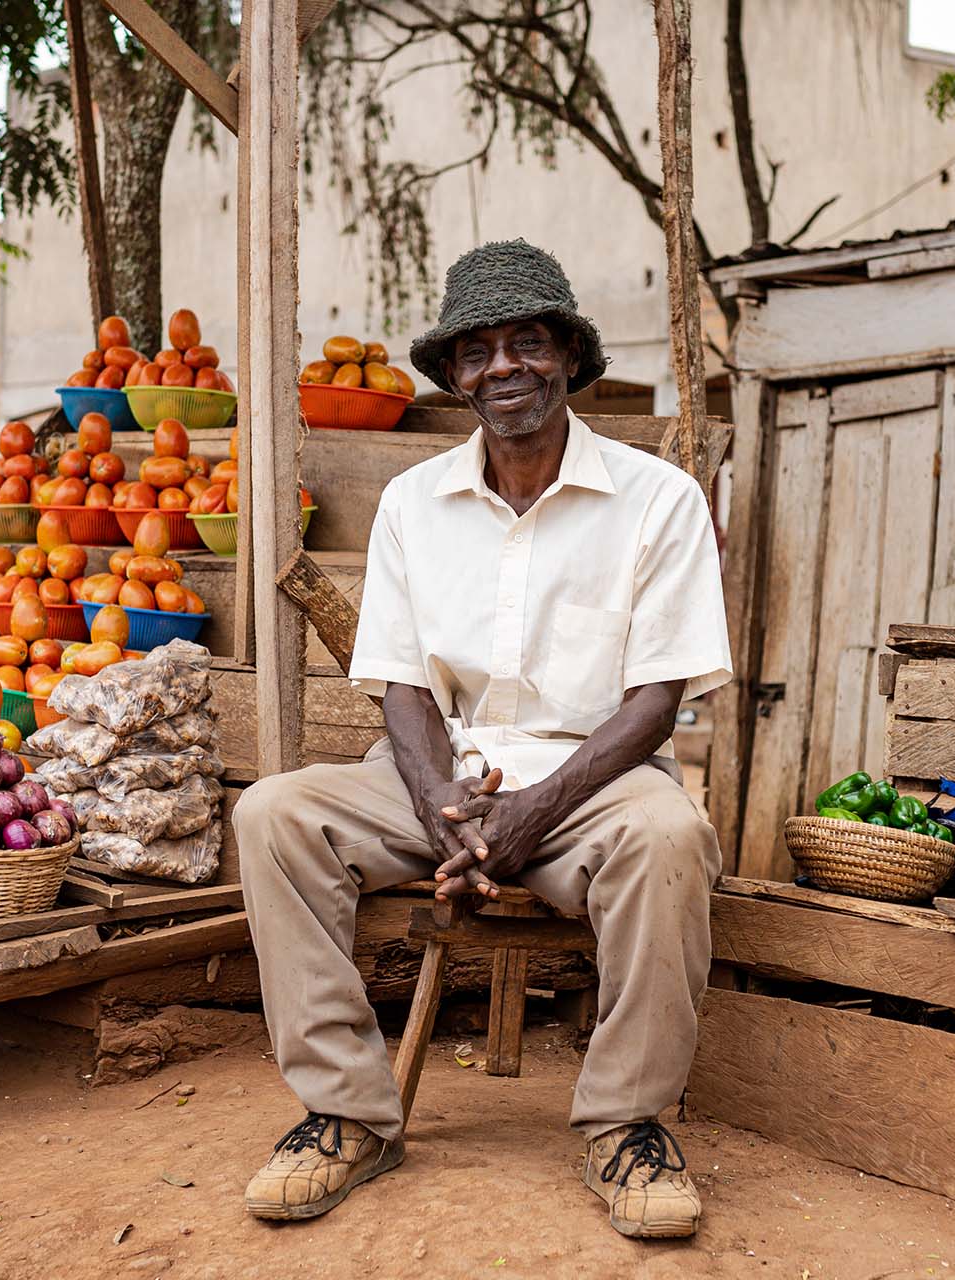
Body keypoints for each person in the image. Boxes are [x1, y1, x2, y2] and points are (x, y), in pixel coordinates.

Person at [235, 239, 731, 1240]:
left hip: (598, 776)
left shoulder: (657, 498)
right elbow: (405, 684)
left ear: (569, 357)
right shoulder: (416, 503)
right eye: (480, 350)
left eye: (529, 342)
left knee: (673, 839)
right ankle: (347, 1114)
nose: (505, 366)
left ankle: (625, 1124)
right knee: (273, 813)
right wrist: (449, 811)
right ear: (455, 376)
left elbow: (653, 703)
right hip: (444, 780)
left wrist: (528, 814)